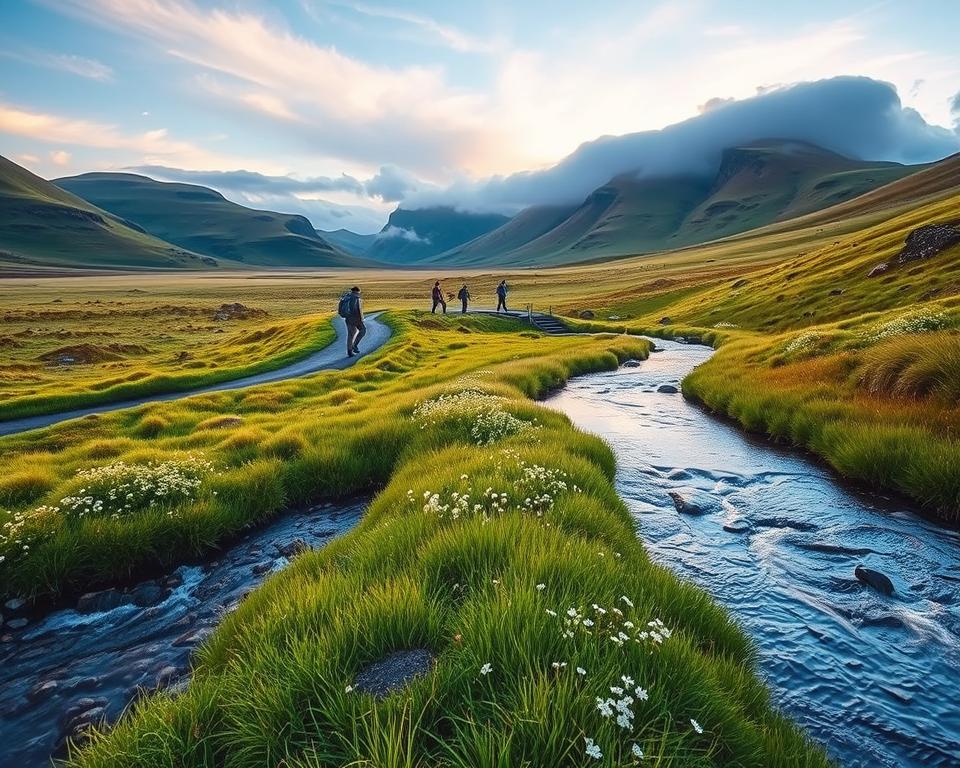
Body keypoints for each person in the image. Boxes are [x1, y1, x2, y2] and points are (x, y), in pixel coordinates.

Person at [341, 286, 365, 357]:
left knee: (350, 335)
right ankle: (354, 346)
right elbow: (356, 309)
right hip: (355, 318)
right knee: (363, 330)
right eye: (359, 292)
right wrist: (361, 319)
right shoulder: (355, 297)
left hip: (348, 319)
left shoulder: (346, 297)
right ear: (357, 291)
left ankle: (350, 351)